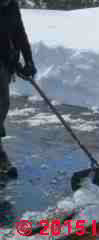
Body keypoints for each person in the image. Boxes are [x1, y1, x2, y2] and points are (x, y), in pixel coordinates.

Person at [0, 0, 37, 177]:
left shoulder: (12, 5)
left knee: (2, 106)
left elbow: (19, 34)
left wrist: (28, 60)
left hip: (5, 63)